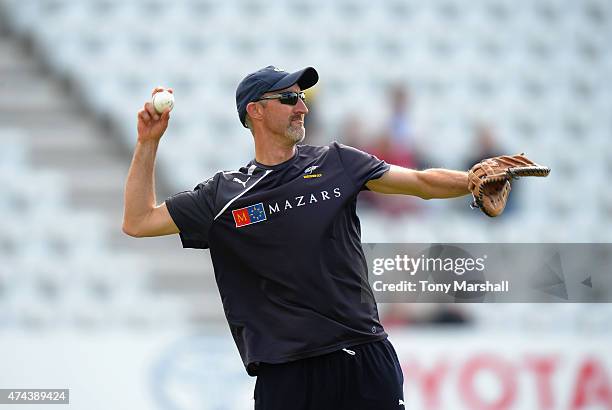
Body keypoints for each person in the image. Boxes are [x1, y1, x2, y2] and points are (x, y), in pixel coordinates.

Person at [122, 66, 470, 410]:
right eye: (289, 98)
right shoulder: (222, 196)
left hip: (363, 358)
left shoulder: (338, 161)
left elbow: (423, 183)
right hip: (286, 375)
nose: (302, 107)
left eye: (302, 98)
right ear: (255, 111)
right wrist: (148, 142)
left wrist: (474, 181)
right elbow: (139, 220)